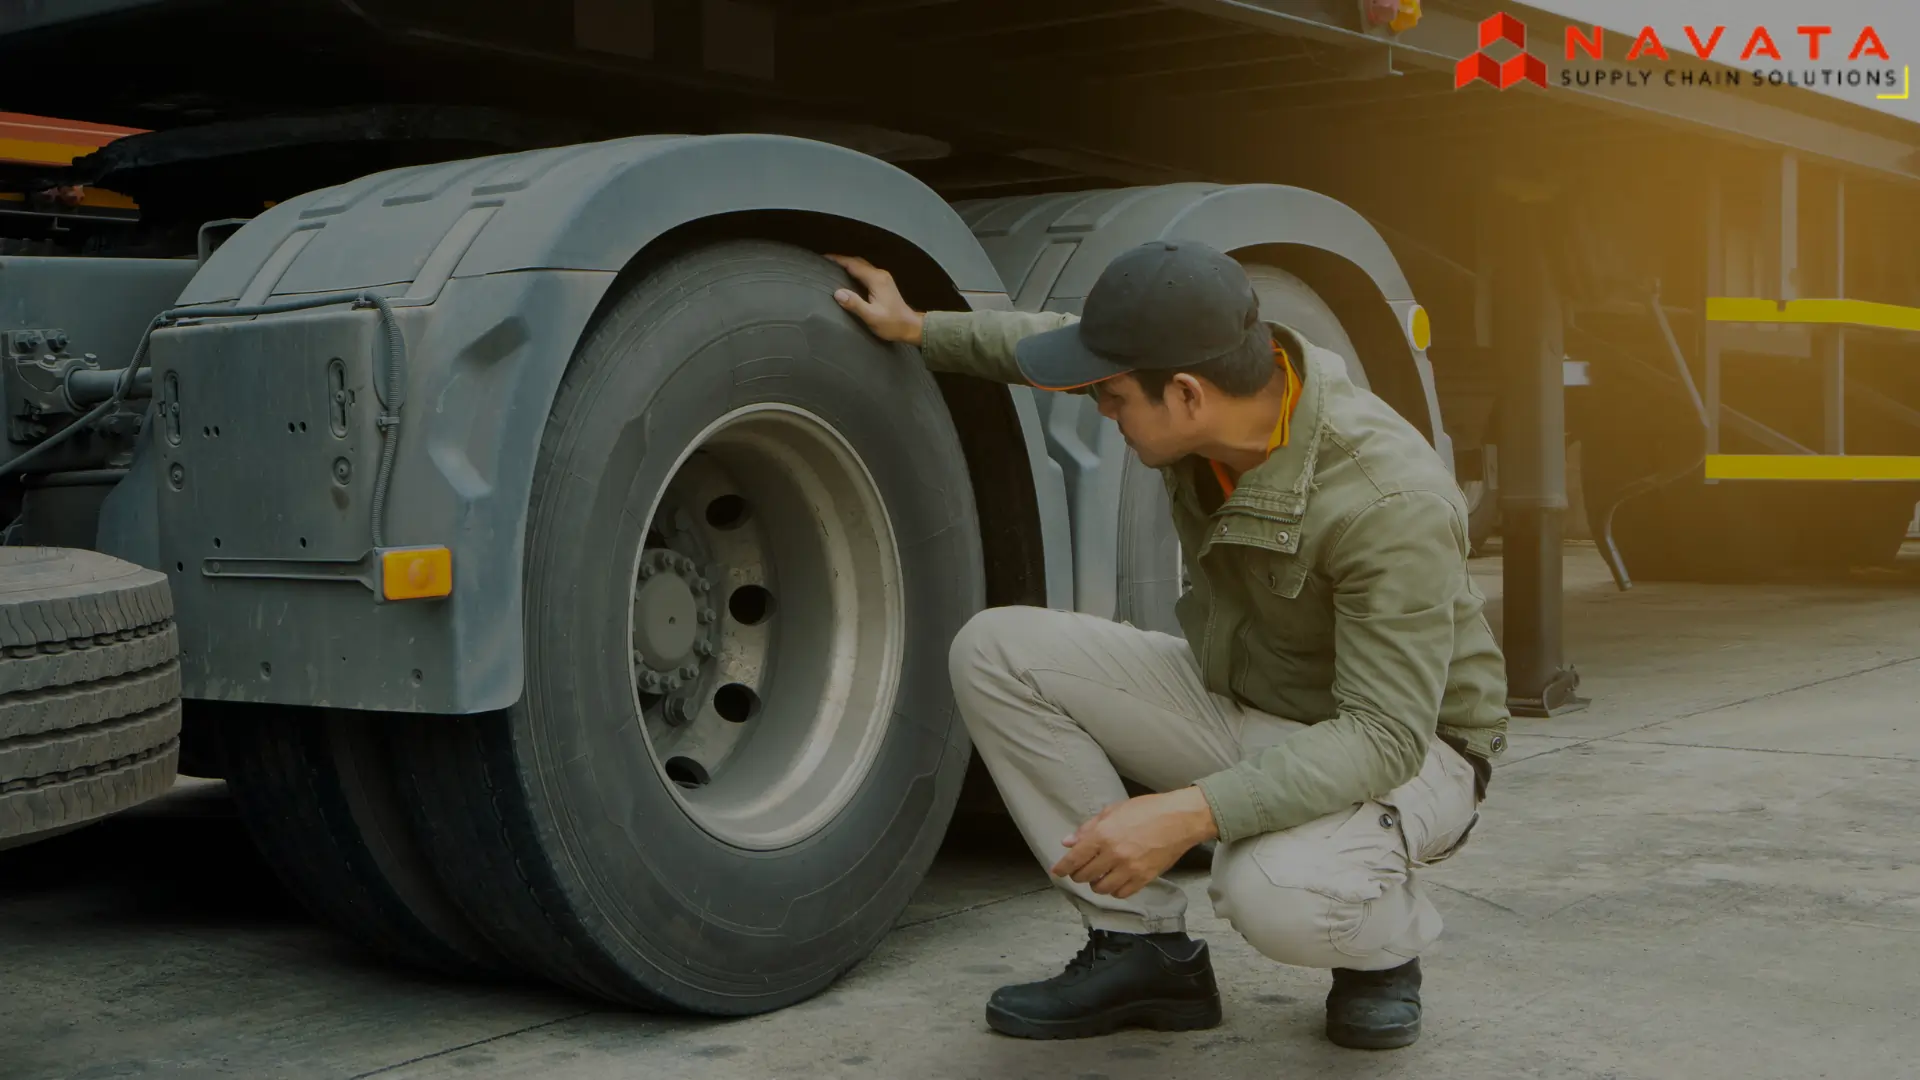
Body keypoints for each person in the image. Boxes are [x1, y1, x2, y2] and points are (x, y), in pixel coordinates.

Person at [827, 240, 1509, 1050]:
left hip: (1413, 752)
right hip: (1255, 698)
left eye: (1113, 399)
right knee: (996, 651)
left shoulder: (1387, 500)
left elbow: (1383, 735)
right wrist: (919, 328)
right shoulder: (1217, 399)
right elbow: (1058, 345)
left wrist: (1188, 813)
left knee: (1274, 893)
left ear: (1187, 394)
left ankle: (1379, 946)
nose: (1102, 411)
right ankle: (1142, 951)